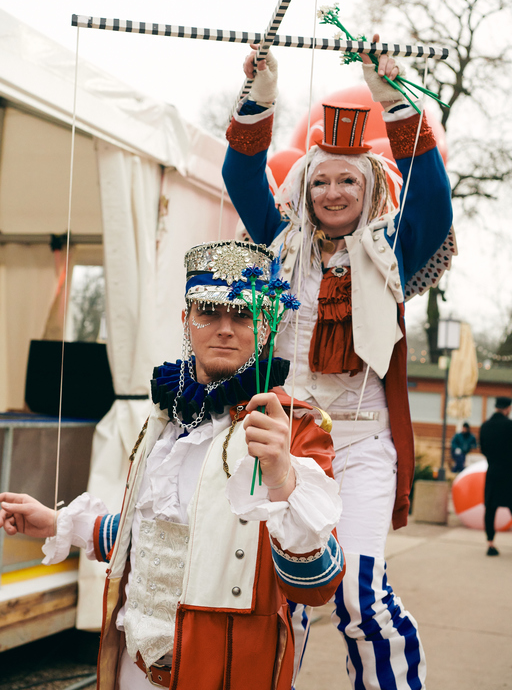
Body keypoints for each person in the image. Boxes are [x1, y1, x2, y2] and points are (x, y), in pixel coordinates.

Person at [0, 240, 345, 690]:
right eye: (208, 311)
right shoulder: (163, 416)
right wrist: (56, 522)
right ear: (187, 320)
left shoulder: (294, 427)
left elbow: (316, 585)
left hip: (221, 672)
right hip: (133, 667)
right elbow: (156, 535)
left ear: (265, 327)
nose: (225, 328)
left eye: (242, 314)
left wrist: (282, 476)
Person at [222, 41, 454, 689]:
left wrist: (390, 96)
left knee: (358, 595)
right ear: (303, 187)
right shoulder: (280, 240)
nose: (332, 191)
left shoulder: (392, 252)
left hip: (362, 443)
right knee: (280, 598)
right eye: (320, 179)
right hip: (287, 443)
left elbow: (433, 201)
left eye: (347, 179)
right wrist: (262, 95)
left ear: (370, 186)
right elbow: (241, 177)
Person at [479, 396, 512, 557]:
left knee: (490, 509)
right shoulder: (510, 426)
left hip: (492, 471)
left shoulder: (485, 426)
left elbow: (483, 449)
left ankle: (490, 543)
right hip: (509, 473)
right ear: (508, 408)